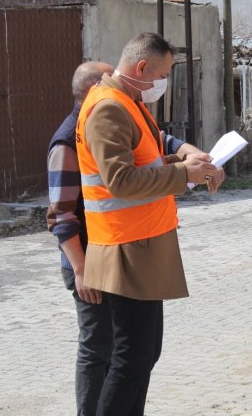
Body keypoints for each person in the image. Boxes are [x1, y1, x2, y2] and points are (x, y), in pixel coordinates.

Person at [47, 60, 212, 415]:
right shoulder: (69, 140)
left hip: (122, 249)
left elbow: (157, 143)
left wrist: (186, 153)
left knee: (136, 354)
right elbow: (61, 217)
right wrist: (80, 269)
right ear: (95, 89)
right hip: (92, 257)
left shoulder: (118, 118)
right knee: (101, 352)